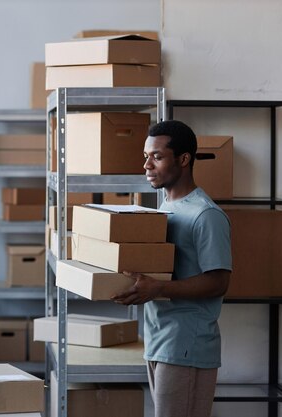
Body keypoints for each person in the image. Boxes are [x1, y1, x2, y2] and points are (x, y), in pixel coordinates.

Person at [111, 120, 232, 417]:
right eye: (146, 156)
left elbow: (219, 282)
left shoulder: (206, 215)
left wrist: (158, 288)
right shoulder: (163, 208)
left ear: (184, 159)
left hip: (186, 345)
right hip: (158, 339)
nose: (147, 165)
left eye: (157, 157)